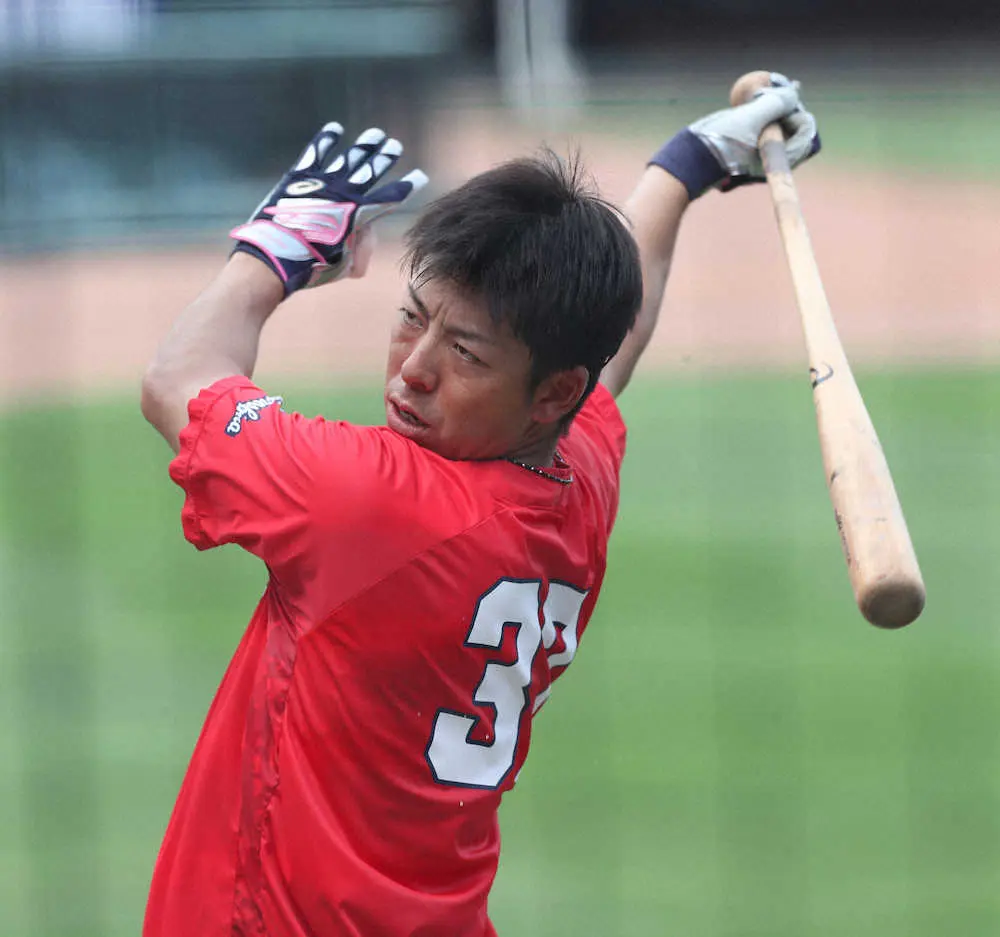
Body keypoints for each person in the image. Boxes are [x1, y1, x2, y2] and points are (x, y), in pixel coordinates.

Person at [140, 73, 819, 937]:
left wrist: (273, 249)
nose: (413, 368)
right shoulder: (579, 468)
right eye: (411, 317)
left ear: (551, 392)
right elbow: (620, 337)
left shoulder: (375, 503)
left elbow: (178, 379)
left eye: (463, 352)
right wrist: (686, 165)